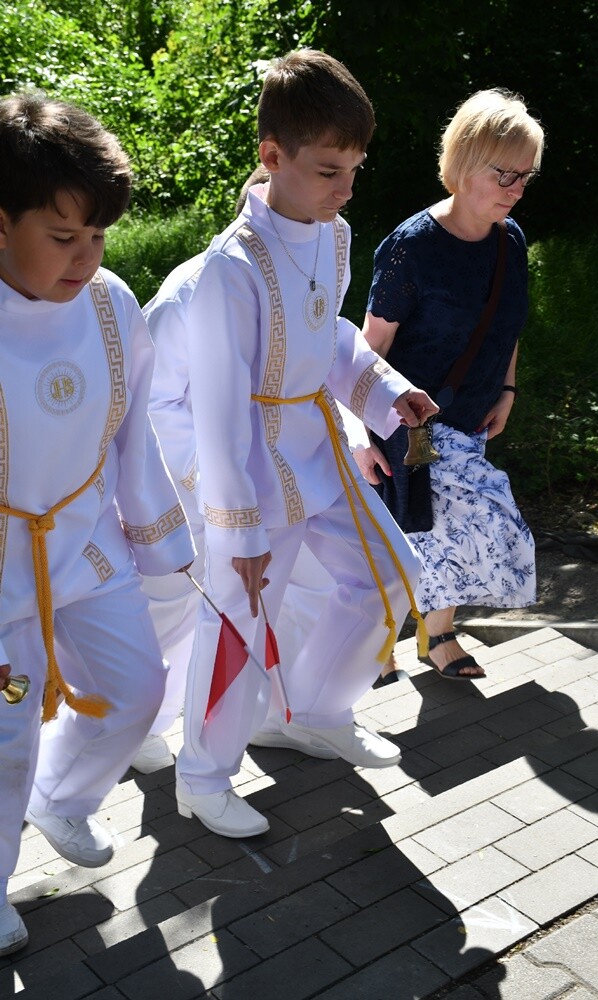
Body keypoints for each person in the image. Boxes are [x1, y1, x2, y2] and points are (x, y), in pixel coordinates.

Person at [176, 48, 438, 839]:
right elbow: (219, 414)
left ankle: (314, 711)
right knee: (238, 618)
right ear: (271, 156)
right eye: (328, 169)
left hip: (319, 448)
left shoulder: (335, 232)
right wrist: (238, 526)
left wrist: (386, 391)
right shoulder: (229, 270)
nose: (345, 187)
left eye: (354, 167)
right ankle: (201, 775)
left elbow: (330, 340)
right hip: (253, 467)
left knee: (393, 576)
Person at [0, 93, 195, 956]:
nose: (86, 260)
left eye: (99, 238)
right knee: (3, 736)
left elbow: (131, 429)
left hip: (81, 541)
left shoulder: (112, 305)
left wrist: (160, 546)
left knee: (136, 688)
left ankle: (64, 797)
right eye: (62, 236)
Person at [134, 165, 341, 773]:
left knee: (306, 592)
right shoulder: (193, 288)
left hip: (267, 488)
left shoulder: (289, 288)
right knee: (176, 614)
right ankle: (143, 725)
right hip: (189, 486)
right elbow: (151, 401)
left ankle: (274, 716)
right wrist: (205, 478)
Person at [356, 88, 543, 682]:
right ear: (463, 163)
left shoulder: (509, 240)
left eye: (526, 177)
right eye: (505, 174)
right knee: (406, 536)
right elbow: (367, 351)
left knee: (453, 535)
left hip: (473, 420)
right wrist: (357, 436)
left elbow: (508, 324)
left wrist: (507, 393)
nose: (516, 190)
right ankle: (373, 644)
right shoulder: (413, 249)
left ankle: (436, 641)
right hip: (408, 428)